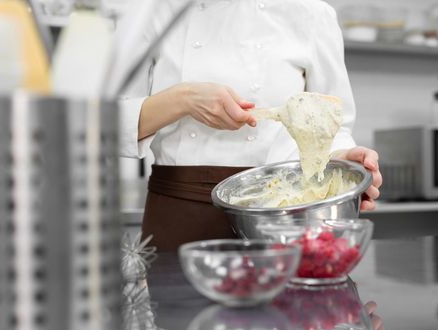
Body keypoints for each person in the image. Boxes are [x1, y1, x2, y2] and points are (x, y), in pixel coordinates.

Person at [118, 0, 383, 251]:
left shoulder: (310, 12)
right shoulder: (150, 9)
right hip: (179, 213)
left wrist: (344, 160)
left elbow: (334, 128)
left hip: (281, 215)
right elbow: (104, 124)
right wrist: (184, 99)